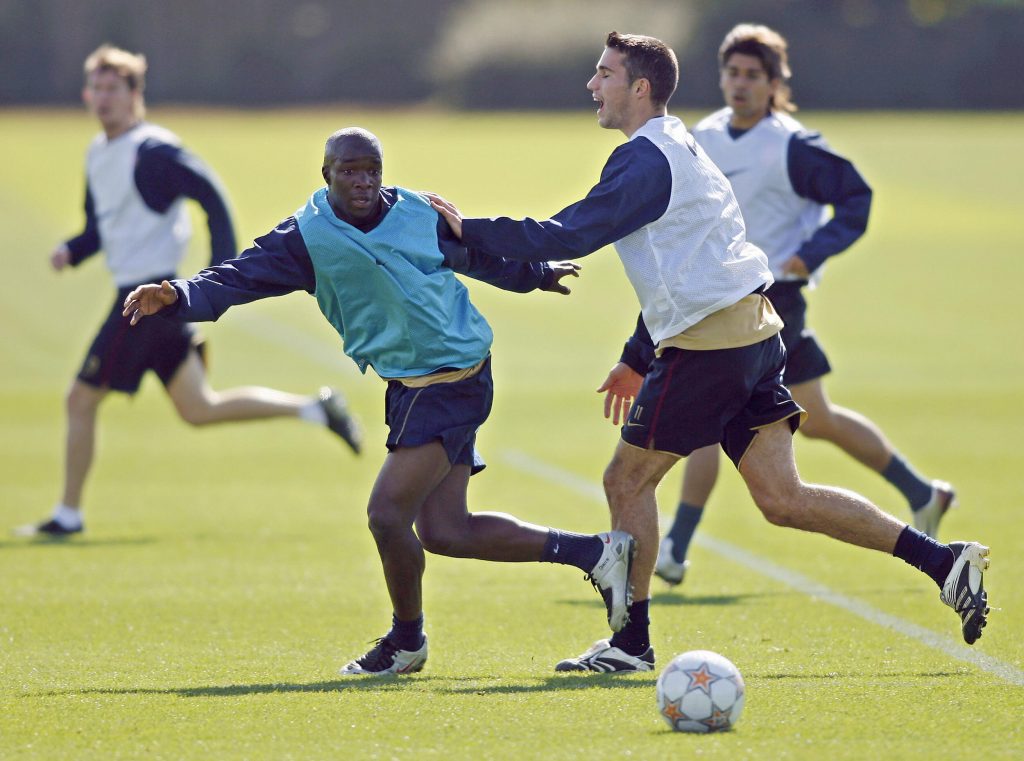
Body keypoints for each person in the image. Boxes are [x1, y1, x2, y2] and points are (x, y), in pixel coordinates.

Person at [428, 31, 991, 672]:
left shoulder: (643, 160)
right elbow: (688, 261)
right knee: (784, 498)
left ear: (639, 88)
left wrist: (465, 227)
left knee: (626, 479)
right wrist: (638, 355)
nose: (593, 85)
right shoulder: (680, 143)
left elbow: (569, 233)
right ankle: (946, 563)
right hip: (752, 334)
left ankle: (631, 644)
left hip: (710, 349)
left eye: (604, 74)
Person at [122, 127, 636, 676]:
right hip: (409, 385)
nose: (364, 180)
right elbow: (240, 276)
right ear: (327, 174)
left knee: (386, 515)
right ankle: (596, 553)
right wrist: (179, 294)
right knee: (446, 531)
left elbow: (477, 255)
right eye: (350, 170)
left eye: (372, 169)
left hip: (454, 380)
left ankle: (405, 641)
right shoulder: (306, 236)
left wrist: (535, 275)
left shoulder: (417, 213)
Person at [14, 45, 362, 539]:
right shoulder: (99, 153)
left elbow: (212, 195)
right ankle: (314, 408)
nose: (103, 98)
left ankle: (68, 515)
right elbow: (101, 226)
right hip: (160, 301)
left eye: (115, 88)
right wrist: (73, 250)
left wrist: (219, 272)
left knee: (79, 399)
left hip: (146, 299)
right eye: (97, 88)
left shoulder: (153, 150)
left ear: (136, 95)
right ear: (86, 94)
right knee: (199, 409)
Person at [654, 23, 955, 588]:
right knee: (816, 417)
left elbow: (855, 200)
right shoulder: (704, 137)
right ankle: (924, 493)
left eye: (753, 75)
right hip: (717, 297)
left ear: (774, 83)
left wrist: (809, 254)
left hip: (771, 301)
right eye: (732, 72)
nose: (739, 84)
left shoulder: (792, 146)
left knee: (706, 413)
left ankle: (674, 548)